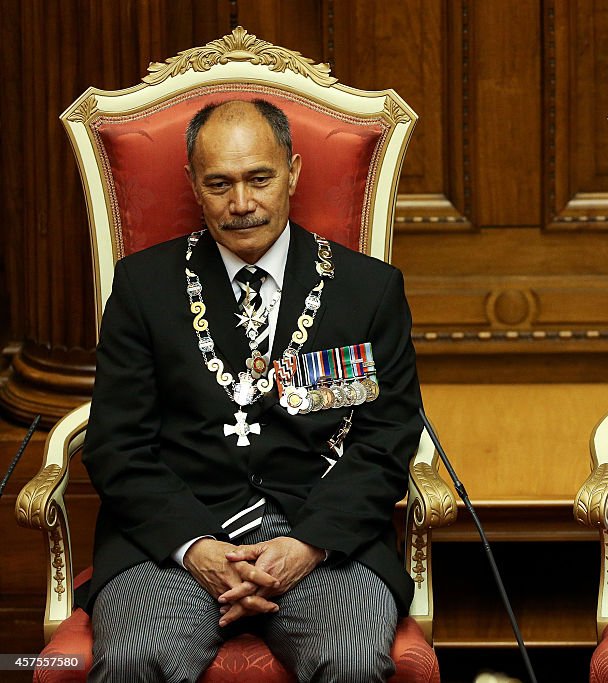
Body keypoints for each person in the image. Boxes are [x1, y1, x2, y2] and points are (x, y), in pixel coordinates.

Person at [81, 99, 421, 682]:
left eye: (259, 179)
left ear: (293, 170)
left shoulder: (366, 291)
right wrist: (196, 547)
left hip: (322, 538)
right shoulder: (144, 288)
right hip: (173, 543)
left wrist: (308, 544)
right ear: (193, 184)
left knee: (353, 656)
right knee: (137, 660)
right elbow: (117, 447)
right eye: (220, 184)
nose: (242, 204)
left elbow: (383, 441)